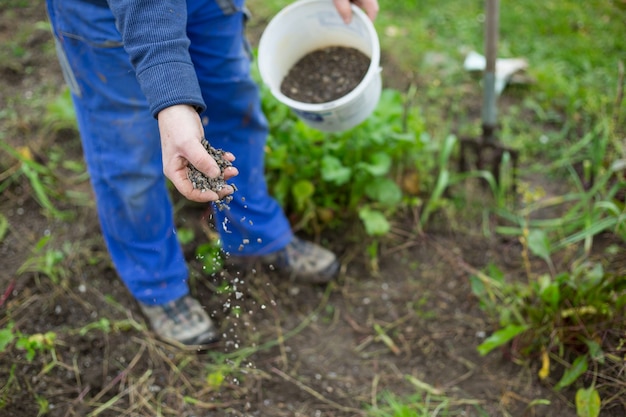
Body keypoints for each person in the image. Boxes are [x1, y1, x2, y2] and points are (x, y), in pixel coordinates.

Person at [45, 0, 379, 347]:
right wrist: (172, 99)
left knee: (233, 103)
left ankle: (252, 234)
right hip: (108, 11)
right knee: (126, 146)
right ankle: (156, 283)